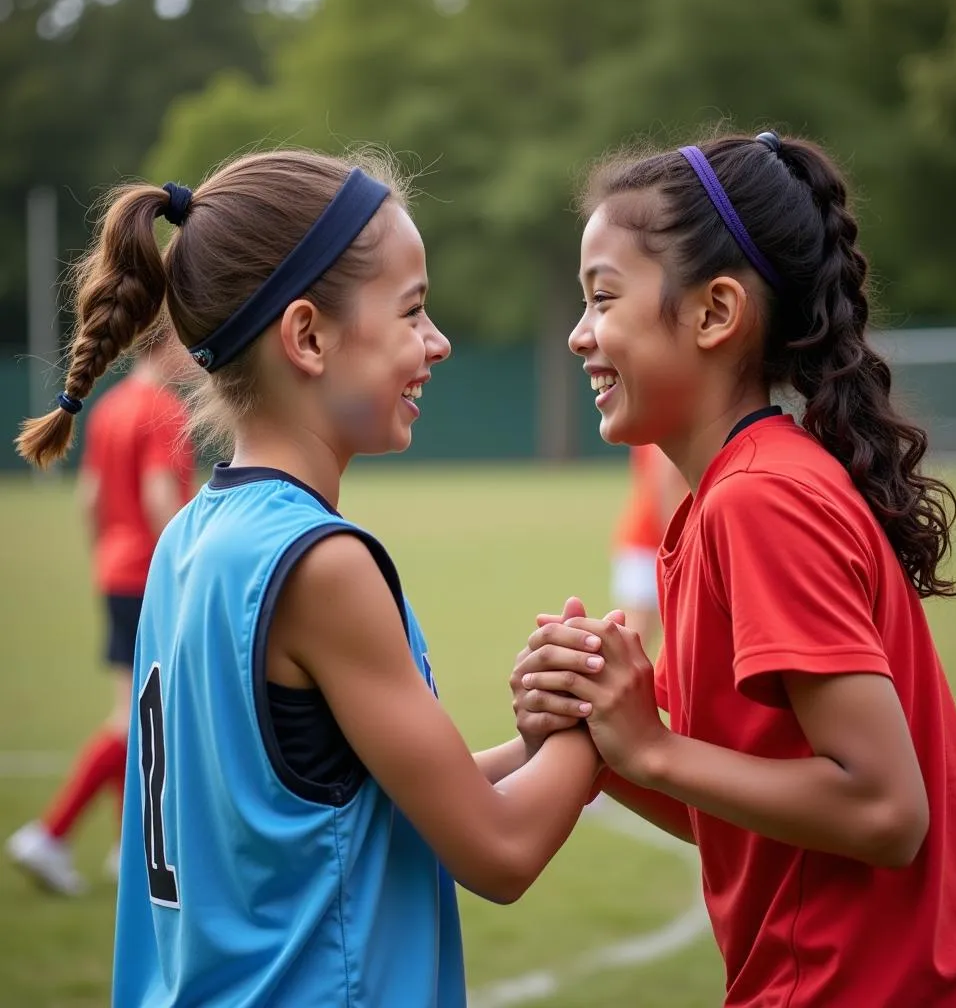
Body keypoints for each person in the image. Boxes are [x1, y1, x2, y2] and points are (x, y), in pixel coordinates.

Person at [16, 149, 602, 1008]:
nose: (437, 342)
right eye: (412, 311)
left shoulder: (188, 540)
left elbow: (337, 805)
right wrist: (604, 724)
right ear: (308, 336)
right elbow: (500, 853)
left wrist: (537, 746)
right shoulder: (322, 567)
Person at [511, 131, 956, 1005]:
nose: (577, 335)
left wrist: (651, 750)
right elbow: (746, 808)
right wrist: (591, 733)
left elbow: (884, 812)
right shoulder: (726, 501)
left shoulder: (761, 503)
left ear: (715, 313)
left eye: (603, 299)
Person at [7, 329, 193, 896]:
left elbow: (90, 496)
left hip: (115, 572)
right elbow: (160, 494)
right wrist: (188, 569)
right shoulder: (161, 409)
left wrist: (105, 558)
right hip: (148, 576)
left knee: (141, 709)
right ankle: (50, 833)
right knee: (136, 718)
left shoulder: (110, 407)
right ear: (168, 347)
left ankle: (126, 847)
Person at [610, 443, 685, 649]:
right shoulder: (668, 422)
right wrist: (680, 544)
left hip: (645, 542)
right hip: (650, 545)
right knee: (632, 641)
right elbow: (667, 481)